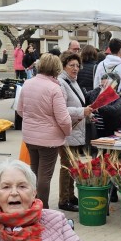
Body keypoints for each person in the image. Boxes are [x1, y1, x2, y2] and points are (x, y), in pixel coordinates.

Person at [19, 54, 73, 208]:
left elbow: (20, 110)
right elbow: (63, 119)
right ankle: (43, 209)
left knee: (34, 172)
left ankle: (32, 205)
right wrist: (67, 131)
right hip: (48, 139)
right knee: (45, 175)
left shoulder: (27, 83)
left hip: (30, 136)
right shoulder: (54, 88)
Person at [56, 52, 94, 212]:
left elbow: (78, 104)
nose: (75, 68)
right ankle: (64, 200)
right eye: (71, 65)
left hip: (76, 129)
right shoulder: (61, 82)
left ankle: (71, 196)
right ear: (63, 66)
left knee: (73, 166)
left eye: (78, 65)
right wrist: (81, 111)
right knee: (66, 166)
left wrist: (87, 114)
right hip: (68, 131)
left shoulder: (73, 81)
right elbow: (61, 109)